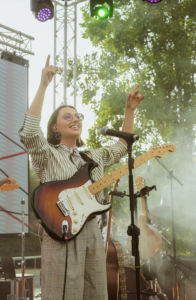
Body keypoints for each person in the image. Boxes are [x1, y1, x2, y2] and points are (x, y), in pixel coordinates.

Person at [18, 54, 145, 300]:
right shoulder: (47, 153)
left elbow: (121, 147)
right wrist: (43, 85)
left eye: (78, 116)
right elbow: (30, 132)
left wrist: (129, 111)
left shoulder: (93, 156)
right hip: (60, 231)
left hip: (92, 232)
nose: (75, 118)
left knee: (96, 293)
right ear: (55, 128)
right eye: (67, 116)